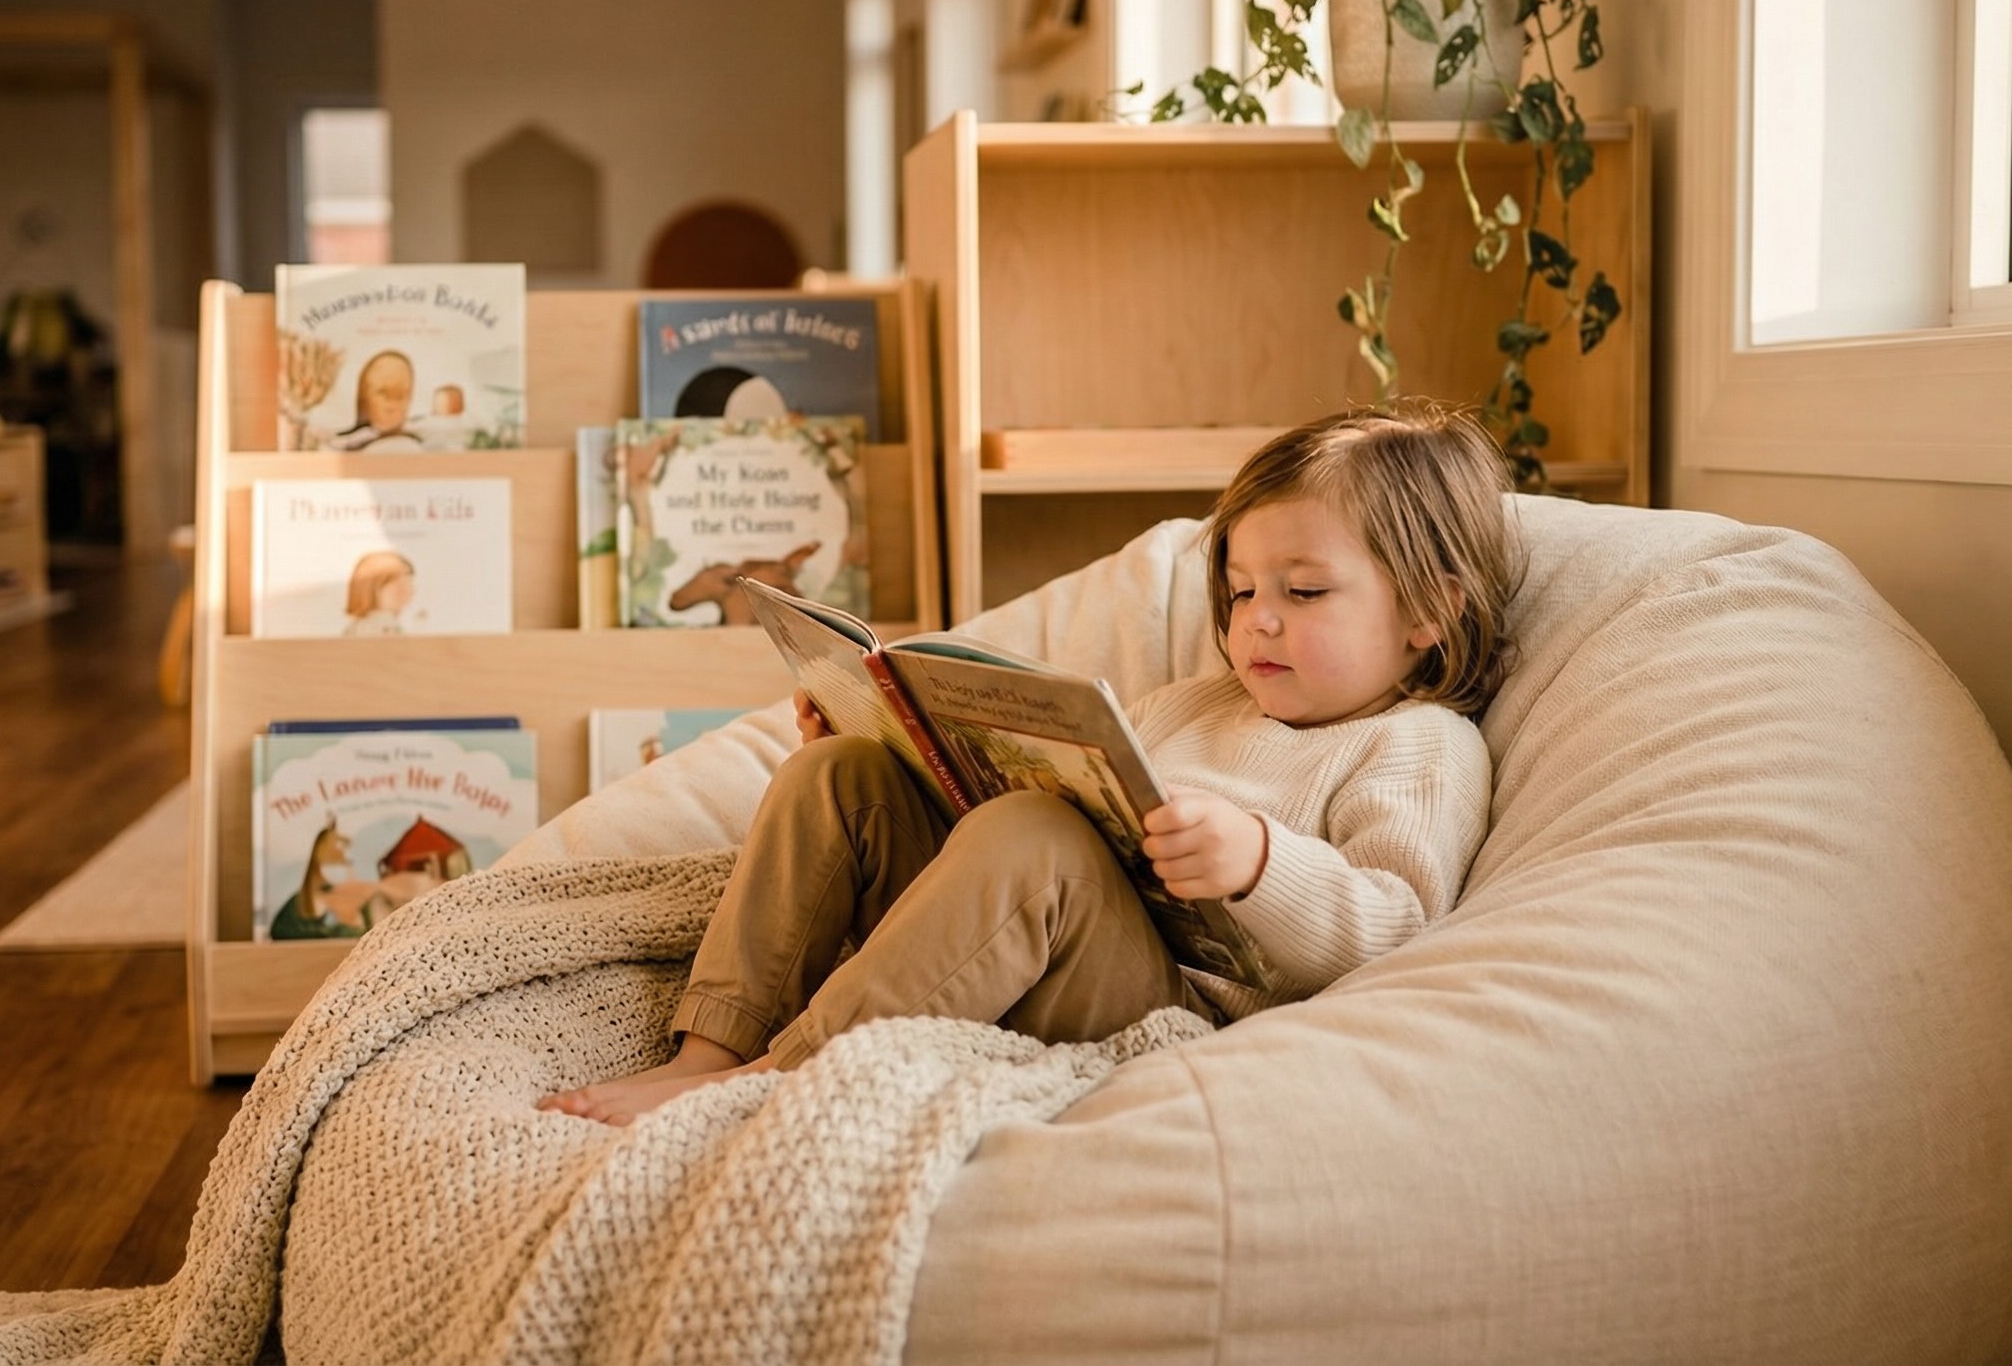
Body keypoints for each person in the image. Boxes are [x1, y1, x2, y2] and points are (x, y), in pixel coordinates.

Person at [541, 399, 1512, 1124]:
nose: (1255, 617)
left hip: (1163, 1003)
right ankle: (709, 1045)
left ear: (1428, 611)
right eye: (1240, 586)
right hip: (1023, 933)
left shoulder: (1417, 743)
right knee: (836, 781)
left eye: (1302, 592)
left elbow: (1398, 930)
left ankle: (775, 1080)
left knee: (1034, 835)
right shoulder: (1190, 702)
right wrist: (889, 743)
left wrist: (1260, 862)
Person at [343, 550, 416, 636]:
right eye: (393, 581)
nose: (406, 589)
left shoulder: (394, 626)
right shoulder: (364, 630)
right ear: (369, 586)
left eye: (408, 581)